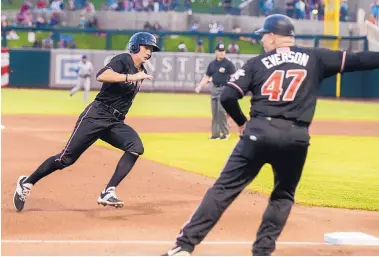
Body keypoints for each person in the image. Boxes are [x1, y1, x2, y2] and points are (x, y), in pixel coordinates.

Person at [163, 14, 379, 256]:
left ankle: (184, 247)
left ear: (274, 36)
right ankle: (262, 251)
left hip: (259, 132)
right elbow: (361, 60)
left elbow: (227, 97)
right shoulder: (315, 57)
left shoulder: (257, 63)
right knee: (282, 196)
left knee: (222, 190)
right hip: (296, 137)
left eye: (264, 35)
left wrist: (242, 123)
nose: (262, 40)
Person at [13, 32, 160, 212]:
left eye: (152, 49)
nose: (149, 52)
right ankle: (26, 183)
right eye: (146, 47)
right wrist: (129, 77)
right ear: (135, 46)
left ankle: (108, 191)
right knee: (65, 159)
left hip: (115, 121)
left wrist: (136, 77)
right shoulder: (123, 60)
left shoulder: (142, 72)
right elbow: (102, 75)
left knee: (135, 146)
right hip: (96, 115)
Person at [195, 43, 236, 140]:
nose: (222, 53)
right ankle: (215, 134)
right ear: (215, 52)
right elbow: (207, 76)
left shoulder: (228, 64)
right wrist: (200, 86)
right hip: (214, 88)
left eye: (223, 51)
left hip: (224, 88)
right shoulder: (212, 64)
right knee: (214, 112)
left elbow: (235, 77)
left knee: (221, 111)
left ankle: (225, 133)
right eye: (220, 51)